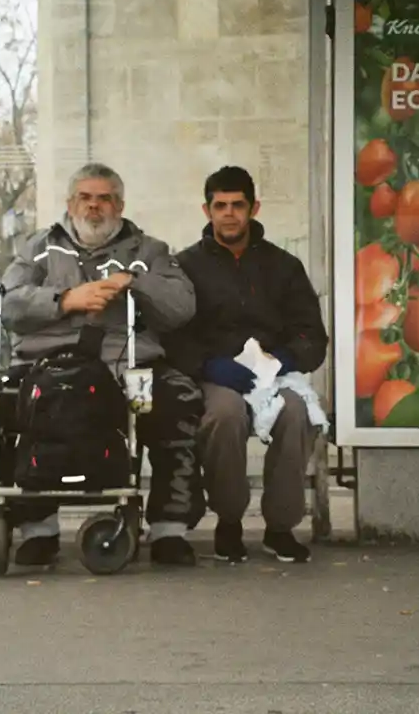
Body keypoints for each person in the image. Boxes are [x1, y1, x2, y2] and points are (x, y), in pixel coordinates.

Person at [0, 162, 206, 567]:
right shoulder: (39, 248)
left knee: (176, 401)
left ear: (120, 205)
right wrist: (64, 300)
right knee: (7, 403)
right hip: (49, 368)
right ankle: (38, 530)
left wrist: (135, 282)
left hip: (126, 369)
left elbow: (182, 308)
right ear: (70, 203)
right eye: (85, 198)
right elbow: (7, 303)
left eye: (104, 199)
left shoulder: (149, 251)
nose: (94, 207)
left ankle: (169, 530)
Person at [167, 166, 328, 564]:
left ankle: (280, 527)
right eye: (220, 205)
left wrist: (286, 358)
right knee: (225, 414)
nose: (229, 214)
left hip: (275, 373)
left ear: (254, 208)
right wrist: (208, 366)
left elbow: (312, 334)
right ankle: (229, 520)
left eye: (237, 205)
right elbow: (172, 336)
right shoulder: (185, 266)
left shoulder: (284, 266)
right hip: (216, 374)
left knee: (296, 413)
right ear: (207, 210)